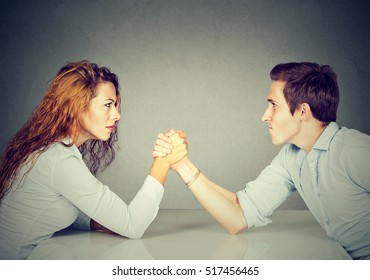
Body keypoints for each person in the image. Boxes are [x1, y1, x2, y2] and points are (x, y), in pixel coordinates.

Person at [155, 62, 370, 260]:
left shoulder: (354, 150)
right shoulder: (292, 157)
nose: (265, 116)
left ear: (303, 111)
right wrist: (181, 164)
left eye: (274, 105)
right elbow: (238, 217)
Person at [0, 60, 187, 260]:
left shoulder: (52, 150)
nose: (117, 115)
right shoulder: (60, 161)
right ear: (77, 106)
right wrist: (163, 161)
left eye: (115, 105)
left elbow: (47, 208)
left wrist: (95, 222)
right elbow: (133, 225)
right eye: (108, 105)